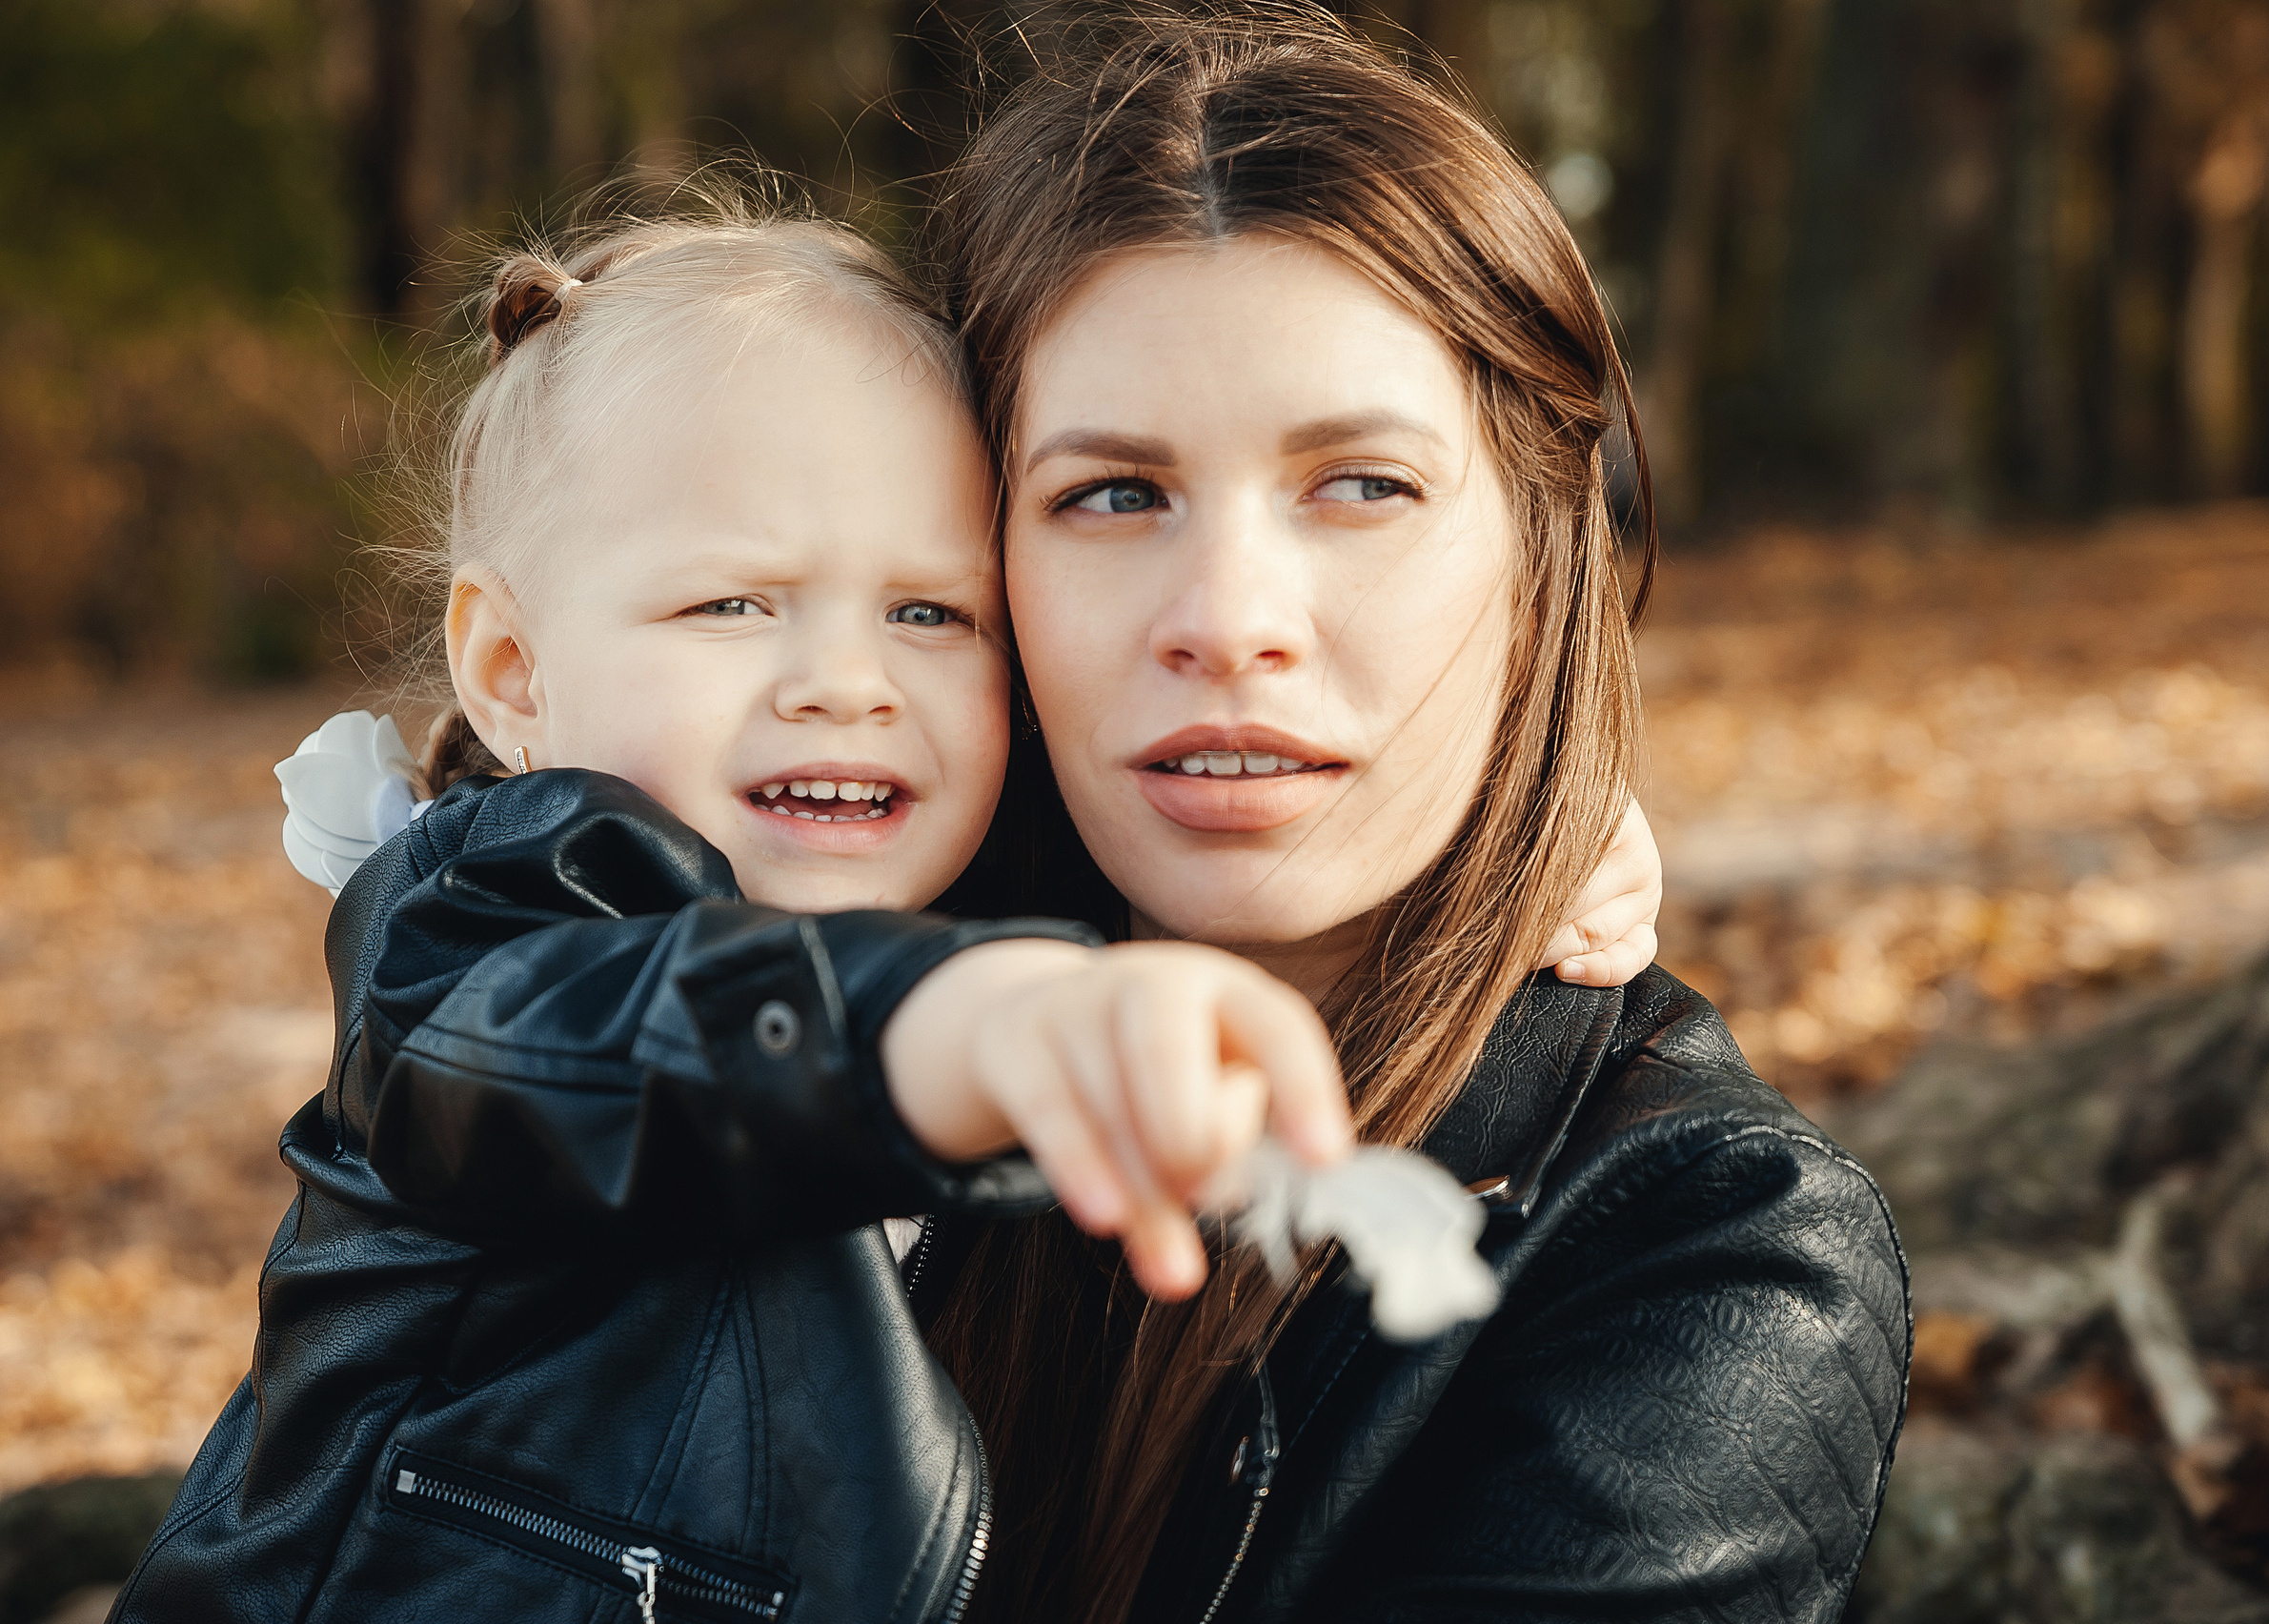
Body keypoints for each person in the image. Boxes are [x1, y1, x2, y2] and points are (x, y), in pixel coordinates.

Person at [111, 193, 1661, 1622]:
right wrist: (945, 1020)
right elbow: (599, 1047)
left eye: (932, 612)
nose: (850, 685)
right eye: (733, 604)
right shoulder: (490, 929)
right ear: (512, 670)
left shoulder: (924, 883)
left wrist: (1522, 833)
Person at [902, 10, 1914, 1622]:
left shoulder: (1703, 1257)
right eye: (1112, 494)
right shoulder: (819, 1034)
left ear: (1538, 563)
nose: (1228, 618)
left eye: (1360, 485)